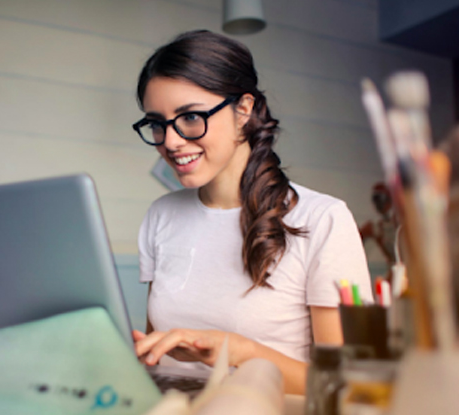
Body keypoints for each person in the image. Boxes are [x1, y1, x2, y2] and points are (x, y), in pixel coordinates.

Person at [130, 30, 372, 395]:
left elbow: (344, 384)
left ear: (243, 110)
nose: (171, 141)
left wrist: (238, 352)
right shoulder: (161, 215)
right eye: (156, 123)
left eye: (191, 117)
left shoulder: (323, 219)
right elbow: (156, 352)